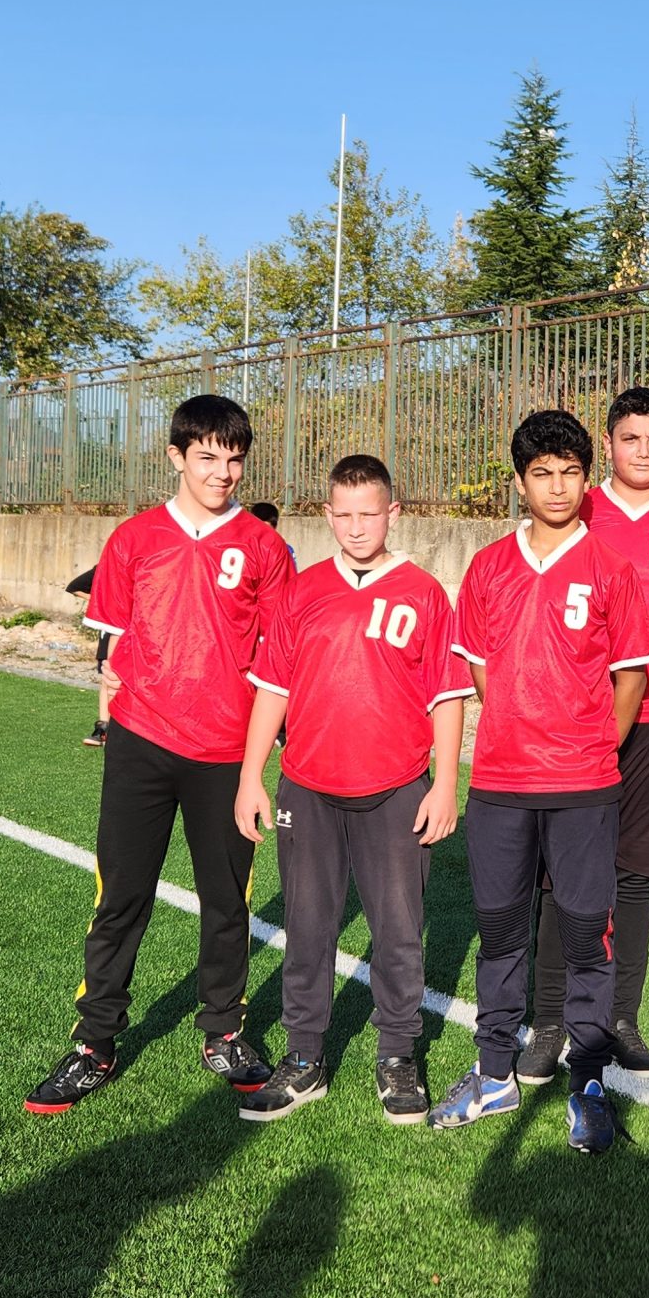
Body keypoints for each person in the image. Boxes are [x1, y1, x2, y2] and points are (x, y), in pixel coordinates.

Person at [24, 394, 294, 1114]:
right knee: (120, 897)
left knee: (226, 902)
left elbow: (280, 658)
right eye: (207, 457)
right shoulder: (133, 538)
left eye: (234, 460)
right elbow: (112, 643)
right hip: (140, 745)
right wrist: (117, 696)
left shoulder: (266, 548)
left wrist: (267, 752)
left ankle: (224, 1032)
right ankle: (95, 1042)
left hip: (226, 754)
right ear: (175, 456)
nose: (222, 473)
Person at [430, 409, 649, 1155]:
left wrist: (591, 747)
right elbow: (480, 669)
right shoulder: (489, 567)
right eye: (542, 474)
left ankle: (588, 1082)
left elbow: (631, 679)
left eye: (570, 473)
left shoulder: (612, 569)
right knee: (500, 934)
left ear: (587, 479)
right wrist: (519, 727)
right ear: (520, 483)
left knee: (587, 936)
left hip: (584, 785)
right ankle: (495, 1074)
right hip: (501, 781)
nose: (557, 487)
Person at [235, 455, 470, 1126]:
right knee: (307, 927)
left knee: (398, 930)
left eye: (370, 513)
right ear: (327, 515)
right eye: (344, 514)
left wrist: (445, 783)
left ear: (393, 512)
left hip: (396, 787)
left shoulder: (424, 593)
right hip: (307, 786)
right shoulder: (302, 591)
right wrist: (251, 777)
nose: (357, 526)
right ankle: (304, 1057)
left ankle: (397, 1054)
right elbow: (272, 689)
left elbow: (448, 696)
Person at [519, 387, 649, 1081]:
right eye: (629, 438)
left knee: (634, 873)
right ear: (607, 444)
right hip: (576, 723)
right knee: (563, 873)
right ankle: (549, 1020)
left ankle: (619, 1020)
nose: (642, 451)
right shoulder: (578, 509)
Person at [64, 564, 111, 746]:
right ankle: (104, 729)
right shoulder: (105, 568)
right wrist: (101, 602)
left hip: (137, 631)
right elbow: (74, 587)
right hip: (112, 629)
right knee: (108, 678)